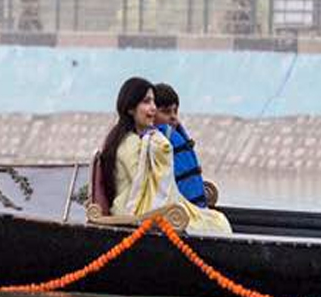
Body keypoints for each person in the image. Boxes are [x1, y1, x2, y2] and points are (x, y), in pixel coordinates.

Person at [97, 76, 231, 233]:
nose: (153, 108)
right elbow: (143, 191)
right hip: (134, 213)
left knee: (216, 221)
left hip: (147, 209)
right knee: (215, 224)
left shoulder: (143, 140)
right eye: (146, 102)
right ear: (130, 108)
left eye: (153, 102)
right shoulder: (129, 143)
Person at [151, 82, 211, 207]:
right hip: (178, 212)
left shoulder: (173, 137)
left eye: (175, 112)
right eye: (166, 112)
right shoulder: (153, 144)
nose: (173, 117)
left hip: (193, 207)